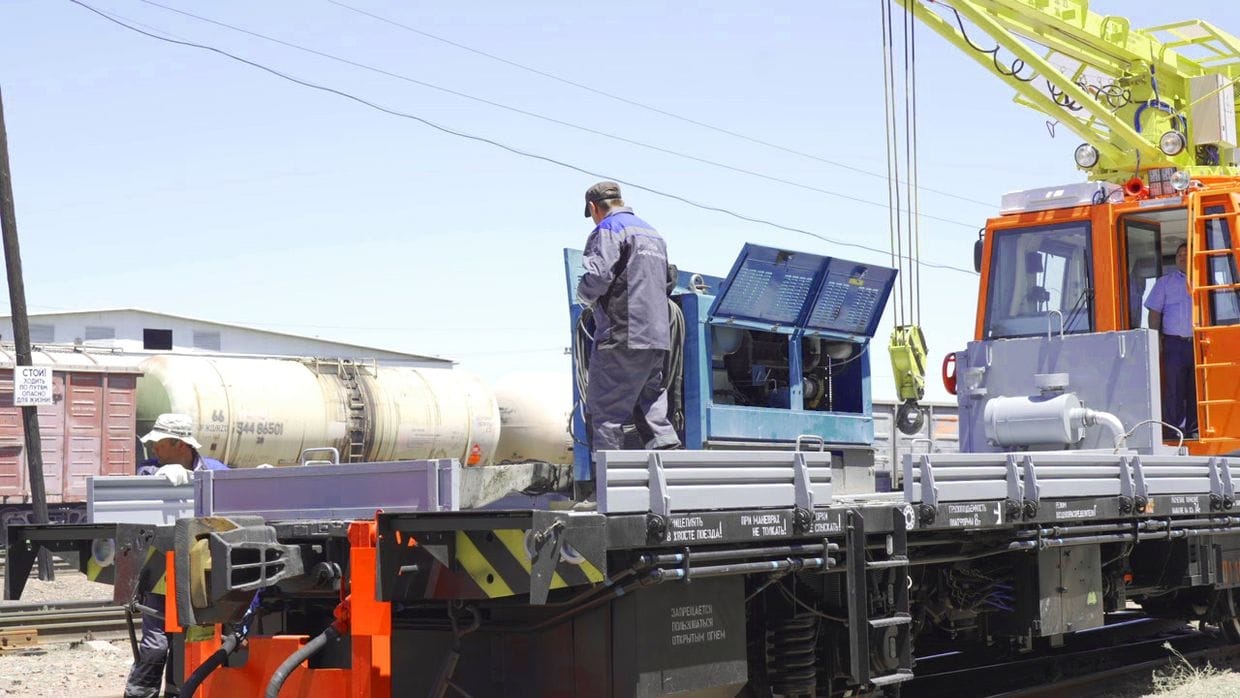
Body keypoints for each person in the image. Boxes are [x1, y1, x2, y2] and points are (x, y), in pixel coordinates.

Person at [126, 413, 229, 698]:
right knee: (155, 644)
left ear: (179, 444)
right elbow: (137, 491)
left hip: (202, 574)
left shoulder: (216, 471)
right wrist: (157, 480)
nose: (153, 448)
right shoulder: (150, 470)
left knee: (194, 642)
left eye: (159, 443)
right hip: (160, 571)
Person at [576, 181, 681, 455]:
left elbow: (599, 275)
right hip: (657, 338)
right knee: (652, 412)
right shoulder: (653, 234)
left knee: (604, 413)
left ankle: (608, 479)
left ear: (593, 208)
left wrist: (582, 295)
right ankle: (669, 471)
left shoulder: (608, 229)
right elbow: (667, 282)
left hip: (621, 337)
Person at [1144, 242, 1197, 439]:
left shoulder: (1205, 279)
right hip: (1174, 344)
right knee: (1174, 388)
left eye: (1186, 254)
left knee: (1197, 389)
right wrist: (1155, 338)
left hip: (1201, 343)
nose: (1182, 257)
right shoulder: (1164, 283)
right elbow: (1154, 313)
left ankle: (1194, 430)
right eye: (1179, 255)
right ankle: (1173, 431)